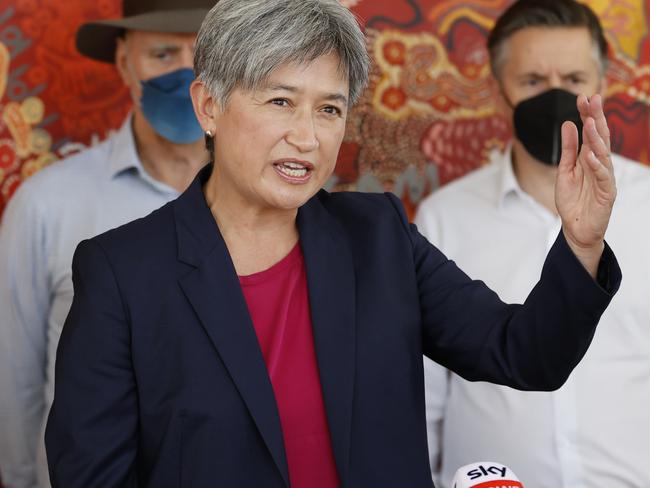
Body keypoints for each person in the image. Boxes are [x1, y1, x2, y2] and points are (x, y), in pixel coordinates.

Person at [45, 0, 619, 487]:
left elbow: (523, 353)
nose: (307, 136)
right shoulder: (123, 272)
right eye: (280, 101)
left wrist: (581, 242)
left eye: (329, 109)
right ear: (209, 106)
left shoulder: (378, 237)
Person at [416, 1, 650, 486]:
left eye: (573, 79)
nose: (556, 96)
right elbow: (424, 395)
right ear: (500, 94)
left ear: (601, 87)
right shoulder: (444, 217)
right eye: (533, 83)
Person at [0, 1, 215, 486]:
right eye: (162, 53)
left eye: (204, 55)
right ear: (123, 63)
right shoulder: (46, 206)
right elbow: (15, 383)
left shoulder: (274, 207)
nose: (186, 74)